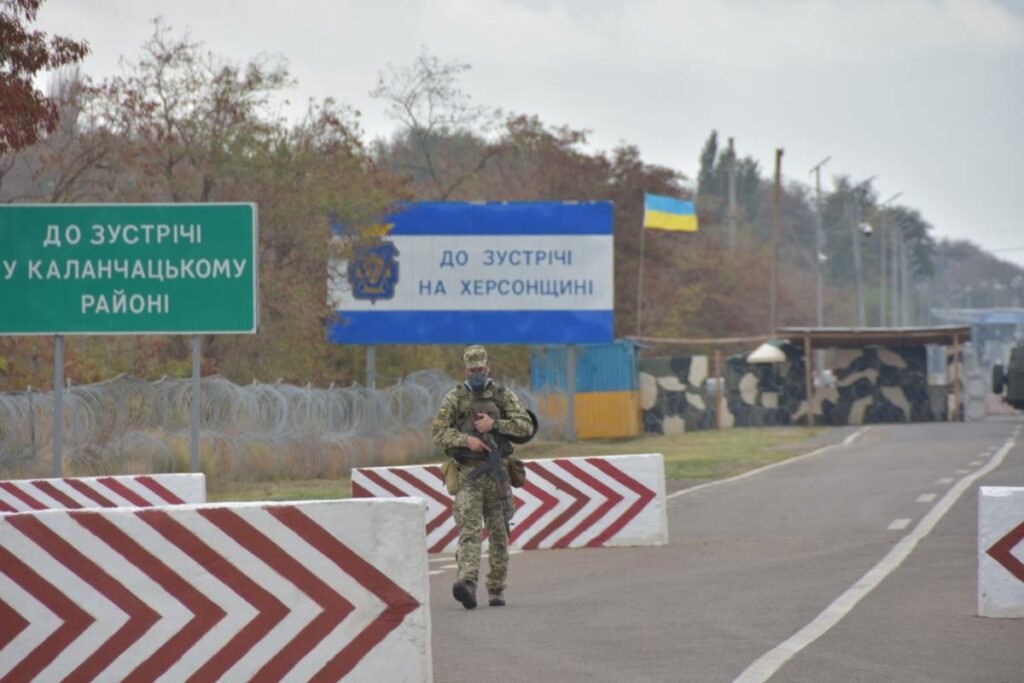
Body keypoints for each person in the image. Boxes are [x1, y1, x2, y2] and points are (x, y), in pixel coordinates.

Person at [432, 344, 533, 609]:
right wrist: (467, 440)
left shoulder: (502, 395)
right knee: (469, 530)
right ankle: (466, 583)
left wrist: (495, 425)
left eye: (481, 369)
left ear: (488, 367)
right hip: (469, 473)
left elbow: (525, 425)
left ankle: (496, 587)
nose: (477, 373)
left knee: (500, 533)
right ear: (465, 370)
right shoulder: (454, 399)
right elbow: (439, 433)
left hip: (497, 473)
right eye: (472, 369)